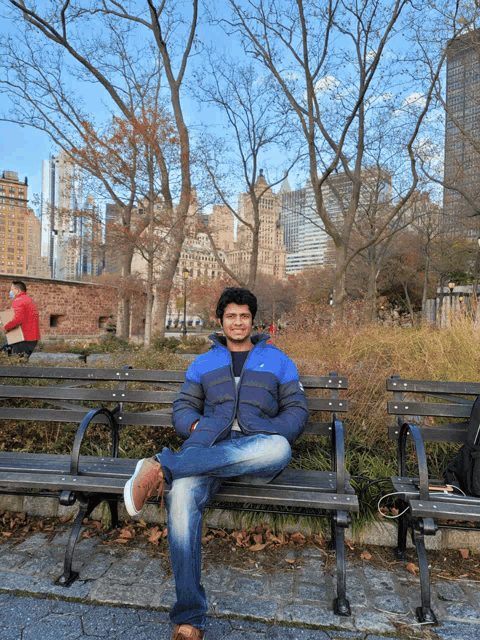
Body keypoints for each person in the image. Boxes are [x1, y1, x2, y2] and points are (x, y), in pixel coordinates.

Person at [123, 287, 309, 640]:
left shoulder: (279, 360)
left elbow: (297, 411)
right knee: (179, 500)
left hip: (254, 452)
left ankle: (163, 467)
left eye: (244, 316)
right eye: (231, 317)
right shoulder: (204, 362)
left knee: (278, 449)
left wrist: (269, 432)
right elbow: (182, 408)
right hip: (206, 449)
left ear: (254, 322)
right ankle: (190, 619)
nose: (237, 322)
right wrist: (198, 426)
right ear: (220, 321)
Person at [2, 281, 40, 358]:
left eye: (12, 289)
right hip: (31, 339)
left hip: (22, 339)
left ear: (18, 290)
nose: (11, 291)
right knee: (20, 363)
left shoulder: (19, 301)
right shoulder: (29, 300)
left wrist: (6, 328)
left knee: (14, 364)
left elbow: (18, 319)